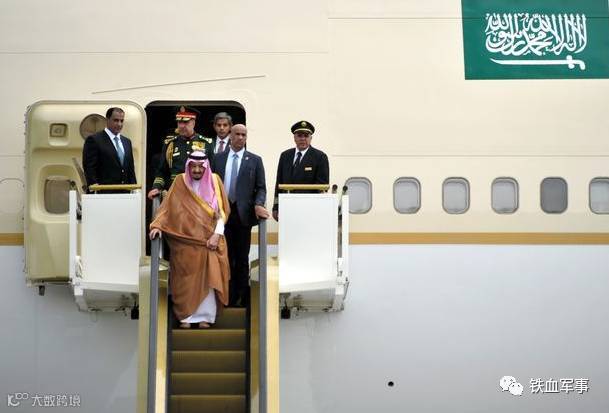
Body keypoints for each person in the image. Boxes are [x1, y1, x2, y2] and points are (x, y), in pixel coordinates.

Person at [149, 151, 230, 328]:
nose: (197, 170)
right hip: (184, 242)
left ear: (206, 167)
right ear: (188, 166)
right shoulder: (180, 181)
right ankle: (186, 316)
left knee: (209, 279)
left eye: (200, 167)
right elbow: (167, 208)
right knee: (184, 279)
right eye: (193, 166)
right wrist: (157, 226)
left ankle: (205, 317)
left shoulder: (215, 181)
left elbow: (222, 213)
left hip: (210, 241)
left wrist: (216, 235)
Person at [213, 124, 269, 306]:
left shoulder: (255, 160)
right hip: (222, 215)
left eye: (243, 135)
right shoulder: (217, 158)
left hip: (243, 215)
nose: (240, 137)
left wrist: (259, 204)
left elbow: (261, 187)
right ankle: (226, 295)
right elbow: (210, 185)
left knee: (242, 257)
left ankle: (242, 296)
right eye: (237, 134)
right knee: (224, 257)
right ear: (230, 135)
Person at [147, 106, 214, 199]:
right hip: (175, 192)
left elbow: (212, 171)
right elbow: (162, 171)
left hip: (199, 193)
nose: (181, 126)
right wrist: (156, 187)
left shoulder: (207, 143)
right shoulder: (170, 143)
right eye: (179, 122)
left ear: (193, 123)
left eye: (185, 122)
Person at [272, 120, 329, 220]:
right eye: (299, 135)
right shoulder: (285, 156)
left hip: (309, 209)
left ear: (311, 138)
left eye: (306, 135)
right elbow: (279, 183)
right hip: (287, 207)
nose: (303, 139)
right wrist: (276, 207)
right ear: (294, 138)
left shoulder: (320, 157)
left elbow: (322, 186)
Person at [82, 107, 136, 190]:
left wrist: (134, 189)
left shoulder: (127, 142)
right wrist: (94, 188)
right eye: (116, 120)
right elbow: (89, 168)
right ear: (107, 120)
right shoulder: (94, 140)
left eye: (121, 121)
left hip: (125, 193)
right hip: (104, 193)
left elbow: (130, 169)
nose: (119, 124)